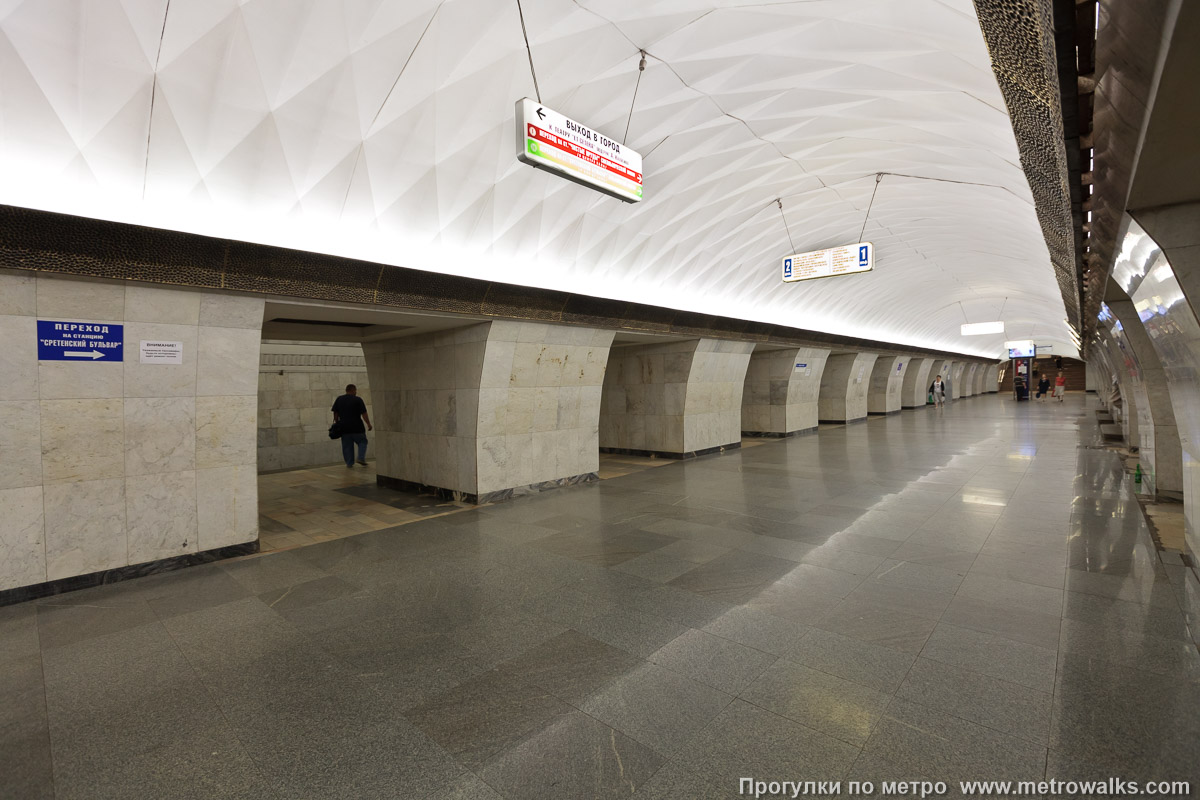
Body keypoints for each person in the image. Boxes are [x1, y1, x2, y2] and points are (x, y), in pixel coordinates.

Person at [331, 383, 372, 467]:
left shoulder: (339, 399)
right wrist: (368, 424)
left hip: (344, 428)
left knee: (347, 446)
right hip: (357, 427)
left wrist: (337, 422)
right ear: (353, 390)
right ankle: (360, 458)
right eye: (355, 390)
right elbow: (364, 413)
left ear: (346, 390)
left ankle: (349, 463)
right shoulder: (358, 399)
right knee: (362, 441)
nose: (356, 392)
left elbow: (335, 413)